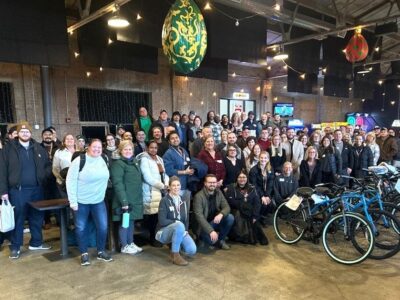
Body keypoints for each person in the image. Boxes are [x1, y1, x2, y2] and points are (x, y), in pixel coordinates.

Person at [0, 122, 52, 259]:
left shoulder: (38, 148)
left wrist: (43, 176)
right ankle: (15, 247)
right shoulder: (8, 149)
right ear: (17, 133)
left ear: (30, 133)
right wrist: (3, 191)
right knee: (19, 219)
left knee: (37, 217)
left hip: (37, 189)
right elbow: (2, 171)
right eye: (22, 131)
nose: (25, 134)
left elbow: (48, 165)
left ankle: (36, 242)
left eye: (27, 132)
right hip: (18, 191)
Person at [66, 139, 112, 266]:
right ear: (88, 147)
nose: (97, 149)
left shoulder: (103, 159)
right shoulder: (79, 161)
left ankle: (101, 251)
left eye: (99, 147)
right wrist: (73, 202)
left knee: (103, 227)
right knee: (81, 227)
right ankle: (84, 253)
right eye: (94, 147)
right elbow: (70, 181)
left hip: (98, 201)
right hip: (81, 202)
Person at [110, 140, 143, 255]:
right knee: (125, 223)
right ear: (120, 151)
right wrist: (124, 201)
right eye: (125, 149)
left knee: (131, 222)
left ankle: (130, 242)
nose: (128, 151)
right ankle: (124, 246)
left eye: (130, 149)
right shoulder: (118, 164)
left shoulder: (134, 161)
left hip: (134, 198)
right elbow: (118, 184)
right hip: (124, 199)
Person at [156, 176, 197, 266]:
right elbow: (162, 221)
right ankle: (175, 255)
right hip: (163, 232)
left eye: (178, 185)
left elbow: (186, 219)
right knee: (179, 225)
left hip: (180, 229)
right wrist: (176, 223)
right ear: (169, 187)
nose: (176, 187)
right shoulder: (164, 200)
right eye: (173, 185)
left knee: (191, 250)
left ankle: (174, 243)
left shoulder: (183, 200)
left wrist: (185, 230)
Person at [139, 140, 169, 247]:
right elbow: (147, 178)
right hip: (151, 190)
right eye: (151, 147)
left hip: (161, 191)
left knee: (159, 216)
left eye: (155, 148)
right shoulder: (144, 159)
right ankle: (152, 239)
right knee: (152, 217)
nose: (154, 149)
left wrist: (166, 183)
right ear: (147, 148)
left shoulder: (159, 159)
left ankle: (158, 237)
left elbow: (165, 174)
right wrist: (162, 186)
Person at [225, 171, 268, 245]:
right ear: (237, 178)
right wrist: (244, 207)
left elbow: (257, 203)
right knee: (240, 214)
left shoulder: (252, 188)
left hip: (250, 211)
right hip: (237, 210)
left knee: (254, 218)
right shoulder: (231, 188)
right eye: (240, 177)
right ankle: (242, 236)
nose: (242, 179)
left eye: (244, 177)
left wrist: (255, 215)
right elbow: (231, 202)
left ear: (247, 178)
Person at [193, 174, 234, 250]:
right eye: (210, 182)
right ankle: (211, 240)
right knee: (210, 242)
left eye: (214, 182)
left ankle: (219, 239)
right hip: (203, 227)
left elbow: (227, 207)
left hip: (214, 222)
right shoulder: (198, 197)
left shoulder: (219, 192)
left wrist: (221, 214)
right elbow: (199, 217)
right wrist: (211, 231)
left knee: (230, 217)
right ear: (205, 183)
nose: (212, 184)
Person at [163, 131, 194, 208]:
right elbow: (169, 171)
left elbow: (188, 163)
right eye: (172, 138)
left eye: (176, 137)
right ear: (169, 141)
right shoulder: (168, 153)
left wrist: (191, 170)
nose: (175, 139)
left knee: (186, 211)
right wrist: (184, 172)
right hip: (176, 187)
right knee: (177, 211)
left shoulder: (184, 150)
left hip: (187, 185)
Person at [249, 151, 274, 225]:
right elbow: (254, 185)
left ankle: (263, 217)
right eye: (261, 158)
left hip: (266, 192)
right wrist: (262, 196)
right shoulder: (254, 170)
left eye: (265, 158)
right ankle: (257, 219)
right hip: (256, 191)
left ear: (268, 159)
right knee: (262, 203)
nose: (263, 159)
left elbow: (270, 183)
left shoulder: (270, 169)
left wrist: (267, 195)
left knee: (270, 204)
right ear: (259, 158)